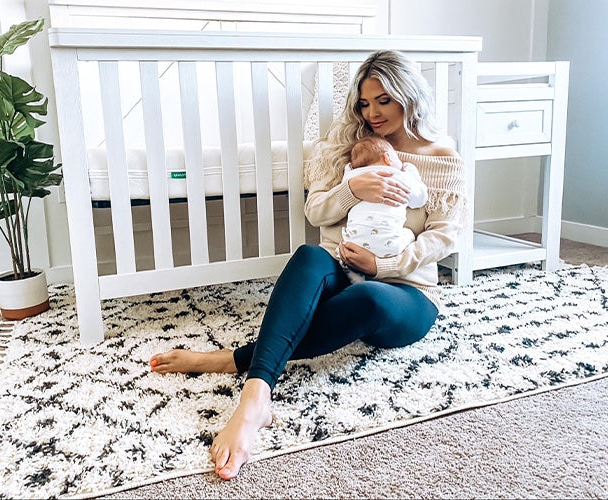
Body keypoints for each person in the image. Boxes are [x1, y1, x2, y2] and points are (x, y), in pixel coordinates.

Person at [149, 49, 466, 480]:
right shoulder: (346, 146)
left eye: (384, 101)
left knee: (370, 296)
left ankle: (231, 359)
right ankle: (255, 399)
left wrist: (383, 262)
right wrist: (354, 189)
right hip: (338, 270)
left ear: (409, 96)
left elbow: (445, 236)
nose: (371, 113)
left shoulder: (440, 155)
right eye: (364, 103)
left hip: (405, 292)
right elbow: (317, 212)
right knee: (309, 255)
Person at [340, 135, 428, 283]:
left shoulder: (352, 178)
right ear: (388, 158)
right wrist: (410, 170)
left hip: (353, 245)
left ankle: (355, 279)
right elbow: (420, 198)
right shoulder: (399, 176)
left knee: (344, 253)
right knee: (409, 234)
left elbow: (345, 177)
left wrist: (349, 168)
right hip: (389, 244)